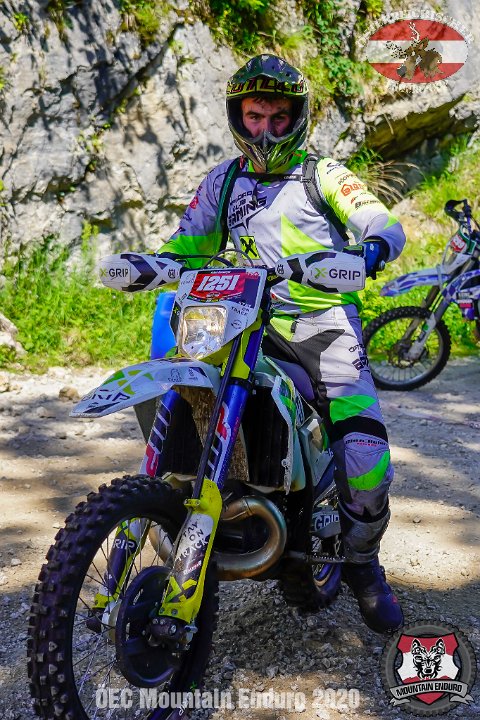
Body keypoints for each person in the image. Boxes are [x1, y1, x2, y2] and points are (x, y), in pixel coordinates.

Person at [158, 54, 406, 634]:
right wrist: (153, 264)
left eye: (277, 117)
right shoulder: (222, 181)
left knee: (364, 455)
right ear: (236, 117)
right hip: (241, 321)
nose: (265, 130)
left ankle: (363, 564)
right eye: (254, 116)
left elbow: (382, 221)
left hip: (322, 323)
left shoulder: (324, 174)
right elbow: (187, 243)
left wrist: (370, 250)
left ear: (297, 117)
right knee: (187, 398)